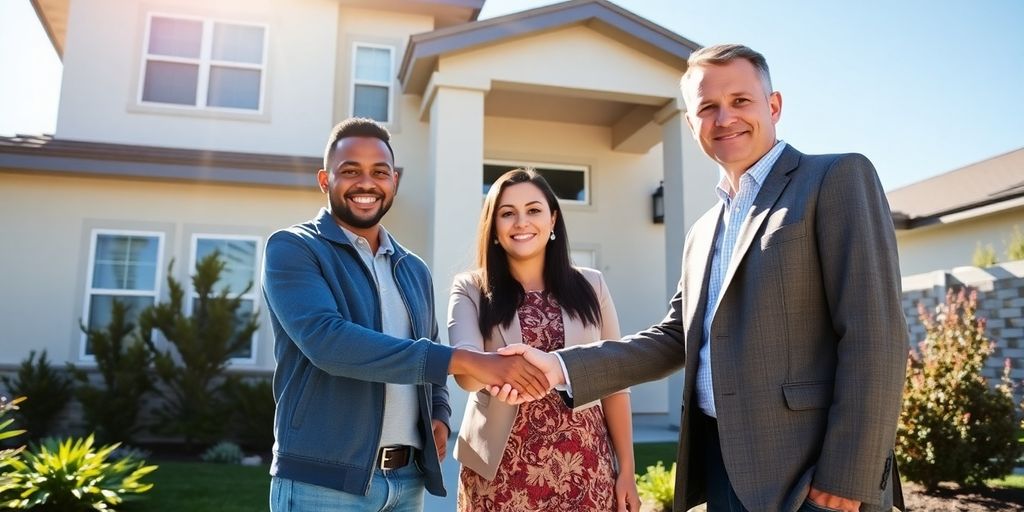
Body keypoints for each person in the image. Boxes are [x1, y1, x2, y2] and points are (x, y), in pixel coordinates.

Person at [499, 44, 908, 512]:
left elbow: (875, 336)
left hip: (810, 476)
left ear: (773, 106)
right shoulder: (702, 230)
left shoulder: (834, 179)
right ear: (692, 124)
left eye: (740, 101)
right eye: (707, 108)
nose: (724, 118)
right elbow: (675, 337)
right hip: (722, 465)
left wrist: (845, 481)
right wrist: (560, 367)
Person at [262, 117, 549, 512]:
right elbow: (328, 342)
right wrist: (463, 360)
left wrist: (440, 414)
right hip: (323, 484)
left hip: (406, 482)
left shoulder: (413, 269)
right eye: (350, 171)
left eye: (379, 172)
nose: (367, 183)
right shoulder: (294, 249)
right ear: (325, 180)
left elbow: (429, 351)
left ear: (394, 180)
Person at [448, 169, 641, 512]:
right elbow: (465, 371)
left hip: (584, 466)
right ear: (493, 228)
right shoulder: (470, 289)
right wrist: (501, 369)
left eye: (534, 210)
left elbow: (615, 380)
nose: (522, 222)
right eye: (508, 213)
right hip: (500, 475)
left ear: (553, 219)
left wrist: (626, 469)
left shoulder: (592, 285)